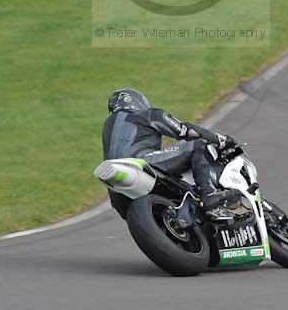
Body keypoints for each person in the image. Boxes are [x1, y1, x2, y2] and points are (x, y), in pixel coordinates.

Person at [102, 87, 239, 220]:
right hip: (142, 162)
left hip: (117, 192)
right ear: (137, 101)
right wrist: (220, 140)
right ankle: (209, 196)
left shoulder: (107, 128)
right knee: (198, 145)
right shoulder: (147, 114)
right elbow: (186, 131)